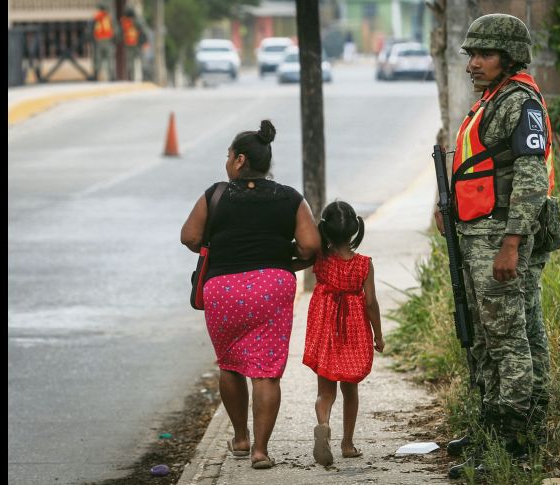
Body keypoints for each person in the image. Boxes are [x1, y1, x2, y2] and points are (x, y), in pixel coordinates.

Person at [433, 13, 556, 478]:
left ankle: (513, 443)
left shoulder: (519, 103)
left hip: (500, 237)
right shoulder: (493, 99)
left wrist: (511, 244)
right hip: (479, 234)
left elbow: (530, 177)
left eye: (485, 54)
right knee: (487, 337)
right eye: (472, 55)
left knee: (509, 341)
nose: (473, 64)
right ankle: (493, 427)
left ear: (510, 57)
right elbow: (479, 164)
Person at [180, 120, 321, 469]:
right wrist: (284, 260)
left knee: (230, 365)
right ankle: (260, 451)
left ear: (240, 160)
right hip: (272, 288)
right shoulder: (290, 197)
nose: (227, 162)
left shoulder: (215, 194)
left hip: (223, 290)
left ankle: (240, 438)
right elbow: (311, 246)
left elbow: (189, 237)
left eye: (229, 156)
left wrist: (218, 247)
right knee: (266, 371)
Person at [299, 201, 385, 467]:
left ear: (324, 229)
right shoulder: (364, 264)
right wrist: (378, 334)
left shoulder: (321, 259)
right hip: (353, 331)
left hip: (325, 330)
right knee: (350, 389)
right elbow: (370, 303)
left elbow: (299, 251)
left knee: (325, 392)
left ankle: (323, 424)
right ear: (355, 228)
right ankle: (347, 444)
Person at [119, 7, 146, 81]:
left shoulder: (124, 21)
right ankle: (143, 77)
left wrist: (122, 41)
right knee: (140, 60)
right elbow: (143, 31)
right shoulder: (138, 21)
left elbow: (121, 32)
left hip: (128, 44)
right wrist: (143, 41)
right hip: (137, 44)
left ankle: (131, 78)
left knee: (130, 62)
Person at [91, 3, 116, 81]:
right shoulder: (109, 17)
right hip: (108, 39)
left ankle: (96, 75)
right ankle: (112, 75)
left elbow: (91, 28)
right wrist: (114, 39)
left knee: (98, 58)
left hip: (99, 40)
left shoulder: (96, 17)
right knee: (109, 58)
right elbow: (114, 28)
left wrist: (92, 38)